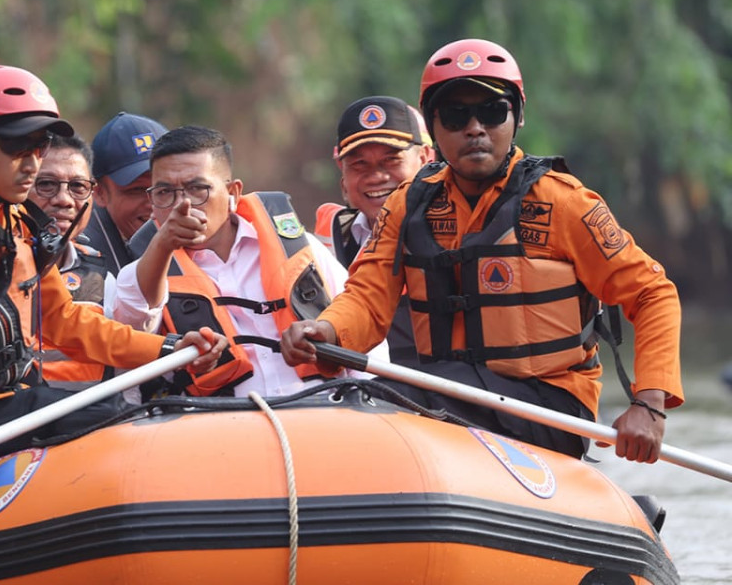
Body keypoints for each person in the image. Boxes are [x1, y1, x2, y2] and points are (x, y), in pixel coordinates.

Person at [282, 39, 684, 462]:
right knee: (356, 395)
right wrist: (325, 331)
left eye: (492, 112)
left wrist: (649, 405)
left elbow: (652, 293)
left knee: (389, 395)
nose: (475, 128)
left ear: (517, 118)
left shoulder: (565, 202)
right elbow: (366, 298)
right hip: (447, 389)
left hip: (546, 407)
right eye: (456, 116)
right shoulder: (408, 204)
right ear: (435, 131)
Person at [0, 66, 225, 466]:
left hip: (12, 401)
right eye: (16, 147)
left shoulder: (16, 223)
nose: (32, 163)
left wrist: (166, 348)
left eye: (39, 146)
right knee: (108, 418)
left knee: (127, 414)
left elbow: (64, 320)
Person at [110, 125, 387, 398]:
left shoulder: (300, 248)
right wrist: (164, 244)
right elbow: (133, 334)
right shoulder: (139, 276)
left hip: (326, 412)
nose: (182, 205)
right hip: (218, 429)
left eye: (197, 189)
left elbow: (363, 333)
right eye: (164, 193)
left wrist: (365, 399)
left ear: (233, 193)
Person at [312, 96, 435, 363]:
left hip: (443, 393)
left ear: (425, 159)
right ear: (341, 172)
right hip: (350, 396)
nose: (377, 176)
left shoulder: (459, 232)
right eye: (359, 164)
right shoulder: (321, 241)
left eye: (392, 160)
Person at [25, 133, 112, 389]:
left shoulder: (106, 275)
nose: (64, 199)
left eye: (77, 187)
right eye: (46, 184)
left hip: (97, 424)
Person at [82, 111, 168, 276]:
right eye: (137, 190)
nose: (153, 203)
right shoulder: (78, 260)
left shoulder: (211, 240)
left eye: (164, 189)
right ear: (99, 193)